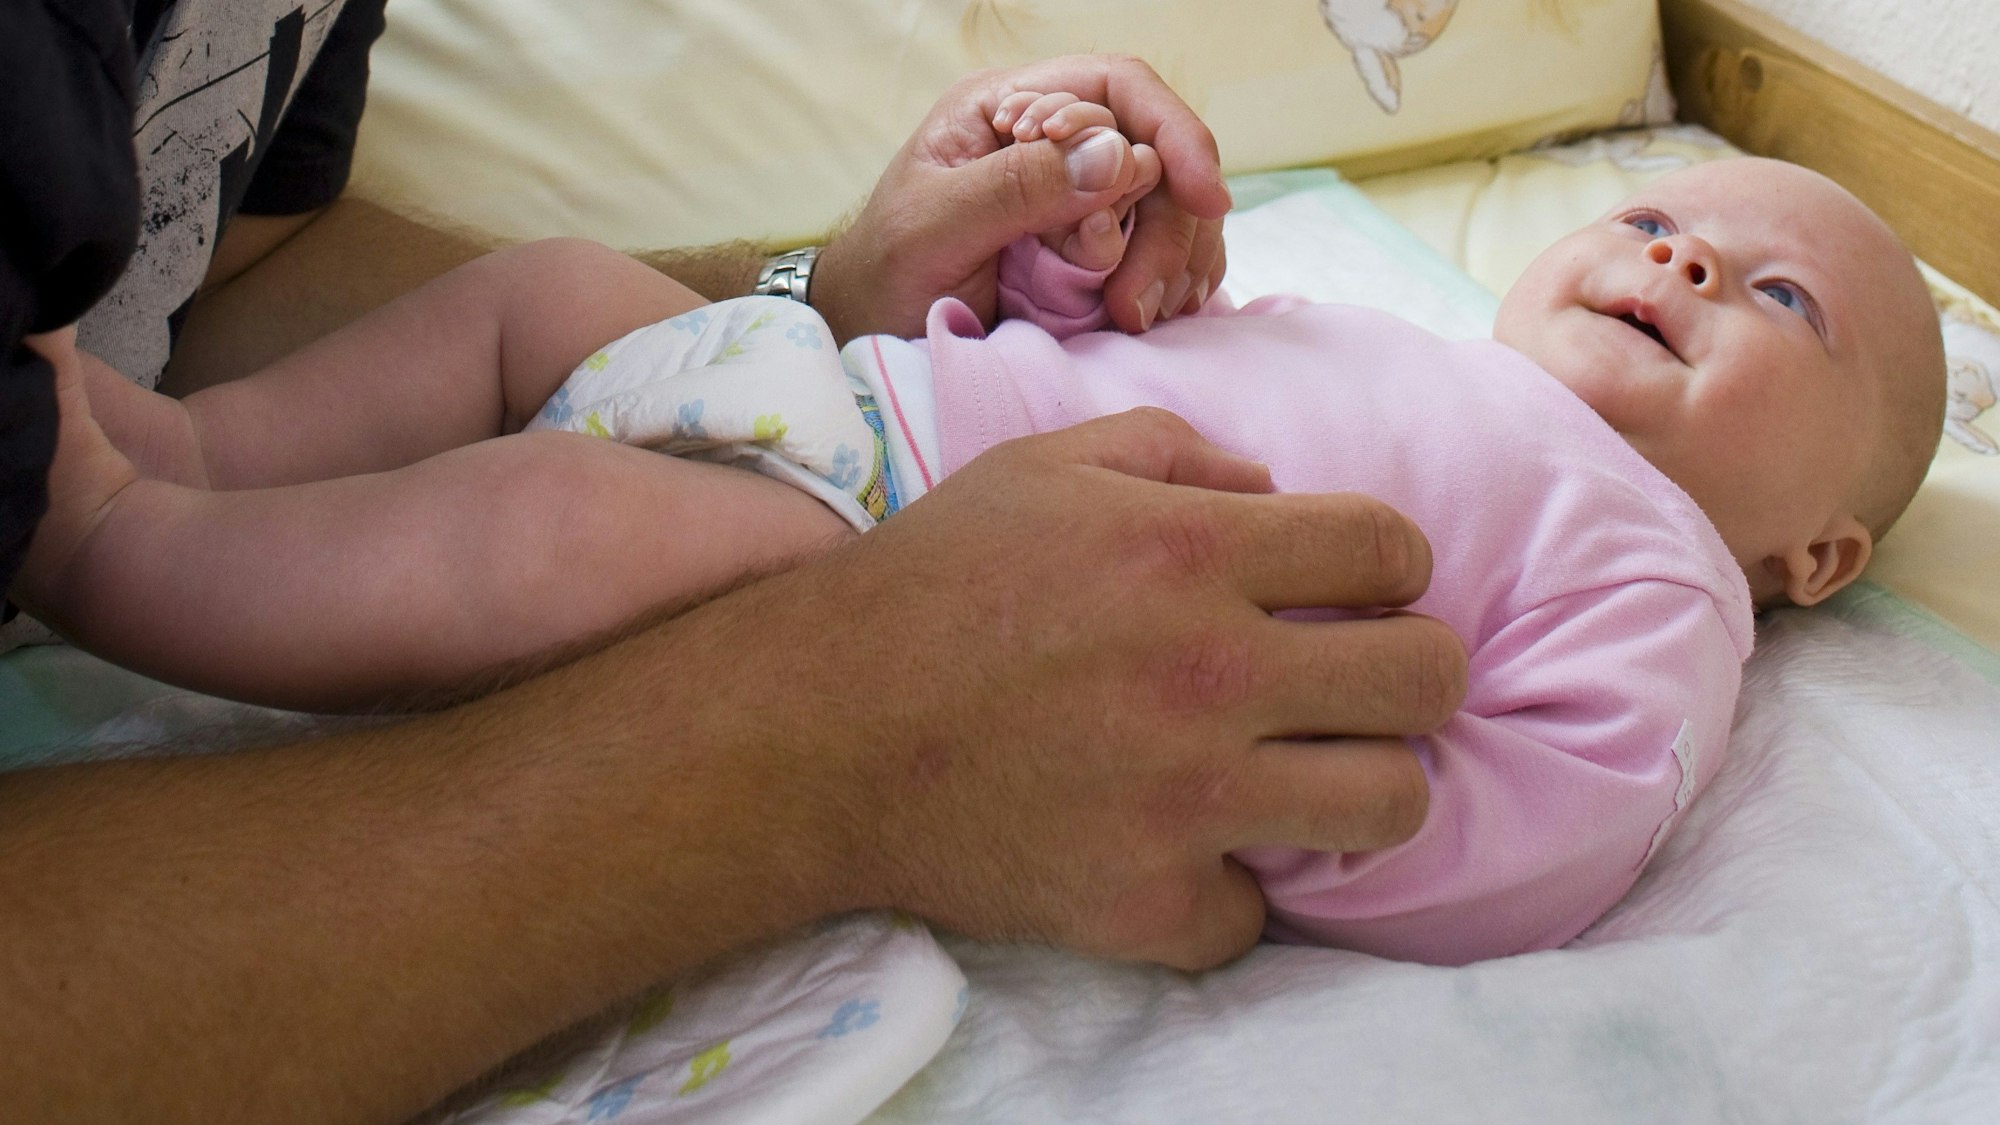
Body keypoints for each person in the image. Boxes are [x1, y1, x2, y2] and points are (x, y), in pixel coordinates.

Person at [3, 6, 1464, 1122]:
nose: (1676, 268)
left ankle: (157, 493)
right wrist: (840, 734)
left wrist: (825, 296)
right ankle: (121, 527)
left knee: (548, 401)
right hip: (867, 518)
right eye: (1659, 222)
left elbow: (236, 257)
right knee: (553, 510)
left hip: (834, 431)